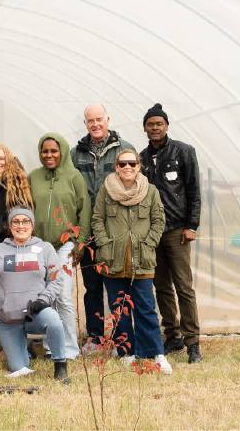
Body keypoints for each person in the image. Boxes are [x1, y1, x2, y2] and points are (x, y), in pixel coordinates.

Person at [89, 148, 170, 374]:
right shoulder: (106, 191)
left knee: (146, 308)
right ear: (116, 166)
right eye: (122, 164)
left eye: (132, 164)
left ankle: (155, 353)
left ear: (138, 166)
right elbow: (97, 219)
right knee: (119, 309)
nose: (127, 167)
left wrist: (149, 243)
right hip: (113, 261)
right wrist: (105, 243)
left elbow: (158, 219)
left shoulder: (150, 191)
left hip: (142, 260)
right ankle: (126, 352)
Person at [0, 206, 74, 382]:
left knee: (54, 320)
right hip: (7, 320)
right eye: (16, 222)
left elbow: (56, 280)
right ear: (9, 226)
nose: (21, 225)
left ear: (32, 225)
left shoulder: (45, 248)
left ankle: (60, 365)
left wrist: (43, 301)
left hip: (35, 313)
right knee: (19, 368)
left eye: (25, 221)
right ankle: (24, 347)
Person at [140, 103, 202, 363]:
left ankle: (193, 342)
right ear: (144, 128)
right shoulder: (141, 158)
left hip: (177, 230)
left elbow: (193, 190)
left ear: (166, 126)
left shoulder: (183, 152)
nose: (155, 128)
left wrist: (192, 225)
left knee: (184, 287)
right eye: (150, 124)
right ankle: (172, 335)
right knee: (162, 286)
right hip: (153, 232)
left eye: (159, 124)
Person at [73, 105, 137, 348]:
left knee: (118, 285)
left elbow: (135, 187)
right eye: (91, 121)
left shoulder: (124, 149)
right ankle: (96, 337)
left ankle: (122, 337)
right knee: (92, 286)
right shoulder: (76, 154)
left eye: (99, 119)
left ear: (108, 119)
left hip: (116, 231)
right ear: (86, 123)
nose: (95, 124)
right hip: (88, 231)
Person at [30, 133, 90, 352]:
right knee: (45, 295)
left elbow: (85, 210)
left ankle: (69, 348)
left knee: (63, 295)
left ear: (63, 151)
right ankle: (51, 347)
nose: (49, 155)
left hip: (66, 244)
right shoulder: (34, 177)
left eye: (54, 151)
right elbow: (27, 207)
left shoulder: (74, 177)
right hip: (39, 245)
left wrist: (81, 243)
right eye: (45, 151)